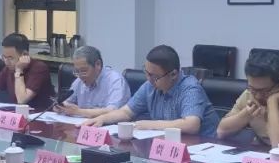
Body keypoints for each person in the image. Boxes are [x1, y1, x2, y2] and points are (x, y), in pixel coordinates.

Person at [87, 45, 218, 136]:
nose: (148, 79)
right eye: (146, 72)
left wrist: (151, 125)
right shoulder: (150, 85)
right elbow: (126, 112)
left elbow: (191, 125)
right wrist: (102, 119)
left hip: (202, 150)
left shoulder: (190, 88)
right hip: (169, 146)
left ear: (173, 74)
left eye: (154, 76)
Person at [0, 33, 54, 111]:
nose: (6, 62)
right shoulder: (8, 68)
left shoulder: (39, 68)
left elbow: (21, 100)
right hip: (17, 115)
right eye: (4, 57)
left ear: (24, 55)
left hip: (39, 116)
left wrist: (19, 70)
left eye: (10, 58)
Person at [55, 45, 130, 118]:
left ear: (98, 64)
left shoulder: (115, 80)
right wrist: (61, 107)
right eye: (77, 71)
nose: (80, 76)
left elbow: (114, 111)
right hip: (82, 124)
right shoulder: (79, 81)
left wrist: (79, 111)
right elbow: (67, 102)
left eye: (84, 71)